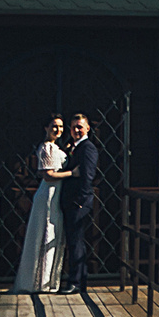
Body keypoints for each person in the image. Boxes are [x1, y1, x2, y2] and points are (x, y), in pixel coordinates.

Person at [11, 116, 70, 294]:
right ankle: (40, 282)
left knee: (52, 233)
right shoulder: (46, 147)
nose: (58, 130)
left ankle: (48, 280)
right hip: (49, 193)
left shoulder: (55, 147)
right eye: (54, 126)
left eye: (60, 127)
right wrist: (71, 173)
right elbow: (48, 175)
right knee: (46, 233)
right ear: (46, 128)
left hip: (56, 194)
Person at [60, 112, 102, 293]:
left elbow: (88, 176)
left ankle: (75, 282)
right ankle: (80, 281)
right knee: (75, 241)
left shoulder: (88, 148)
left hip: (78, 202)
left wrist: (80, 201)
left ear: (87, 128)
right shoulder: (74, 146)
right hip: (71, 201)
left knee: (76, 242)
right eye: (74, 127)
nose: (76, 130)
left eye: (80, 126)